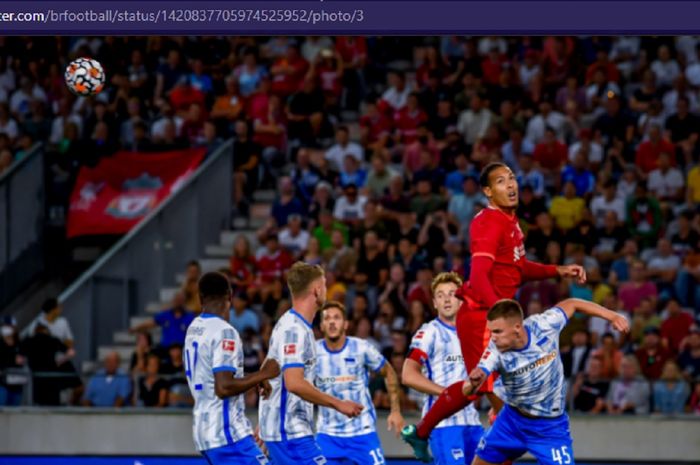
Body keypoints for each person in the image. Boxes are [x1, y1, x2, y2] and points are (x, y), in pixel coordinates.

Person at [402, 162, 586, 456]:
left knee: (475, 387)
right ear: (488, 191)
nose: (510, 185)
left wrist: (557, 270)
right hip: (481, 316)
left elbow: (519, 268)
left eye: (512, 178)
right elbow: (479, 274)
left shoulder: (510, 221)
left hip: (492, 313)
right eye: (501, 181)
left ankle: (422, 433)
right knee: (491, 388)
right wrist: (499, 312)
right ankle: (441, 432)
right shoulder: (489, 222)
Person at [468, 298, 628, 465]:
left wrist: (611, 316)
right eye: (491, 331)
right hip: (512, 420)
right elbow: (474, 382)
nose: (492, 337)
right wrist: (472, 383)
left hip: (550, 426)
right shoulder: (494, 349)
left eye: (497, 331)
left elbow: (573, 303)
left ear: (516, 328)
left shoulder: (544, 325)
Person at [258, 262, 363, 465]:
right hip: (290, 434)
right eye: (324, 285)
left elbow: (268, 375)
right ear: (316, 290)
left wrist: (265, 421)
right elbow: (294, 383)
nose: (326, 290)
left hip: (282, 431)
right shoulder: (295, 330)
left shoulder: (288, 323)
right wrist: (338, 404)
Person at [183, 271, 280, 464]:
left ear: (200, 298)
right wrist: (264, 374)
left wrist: (254, 379)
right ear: (230, 295)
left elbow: (214, 378)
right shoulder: (224, 331)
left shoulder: (194, 327)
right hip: (226, 433)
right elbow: (224, 387)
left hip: (204, 432)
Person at [401, 272, 485, 464]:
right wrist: (448, 395)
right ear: (434, 303)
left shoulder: (475, 333)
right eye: (440, 295)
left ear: (462, 300)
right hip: (443, 424)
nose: (447, 299)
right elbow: (408, 375)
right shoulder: (429, 332)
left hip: (472, 421)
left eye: (452, 293)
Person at [314, 300, 405, 465]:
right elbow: (296, 385)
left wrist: (395, 410)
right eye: (327, 319)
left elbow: (389, 372)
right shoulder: (312, 352)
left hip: (362, 433)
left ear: (346, 324)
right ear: (321, 325)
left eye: (337, 318)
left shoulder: (361, 348)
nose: (332, 322)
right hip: (327, 436)